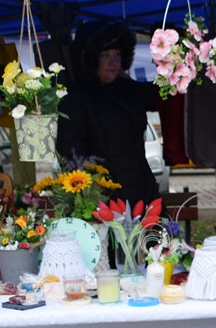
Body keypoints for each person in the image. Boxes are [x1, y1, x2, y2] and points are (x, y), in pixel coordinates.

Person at [56, 21, 160, 210]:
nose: (114, 62)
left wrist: (175, 61)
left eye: (117, 55)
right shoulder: (76, 96)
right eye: (105, 55)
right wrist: (92, 193)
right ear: (90, 58)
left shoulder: (129, 89)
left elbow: (165, 97)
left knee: (155, 238)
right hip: (102, 198)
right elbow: (70, 150)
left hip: (141, 188)